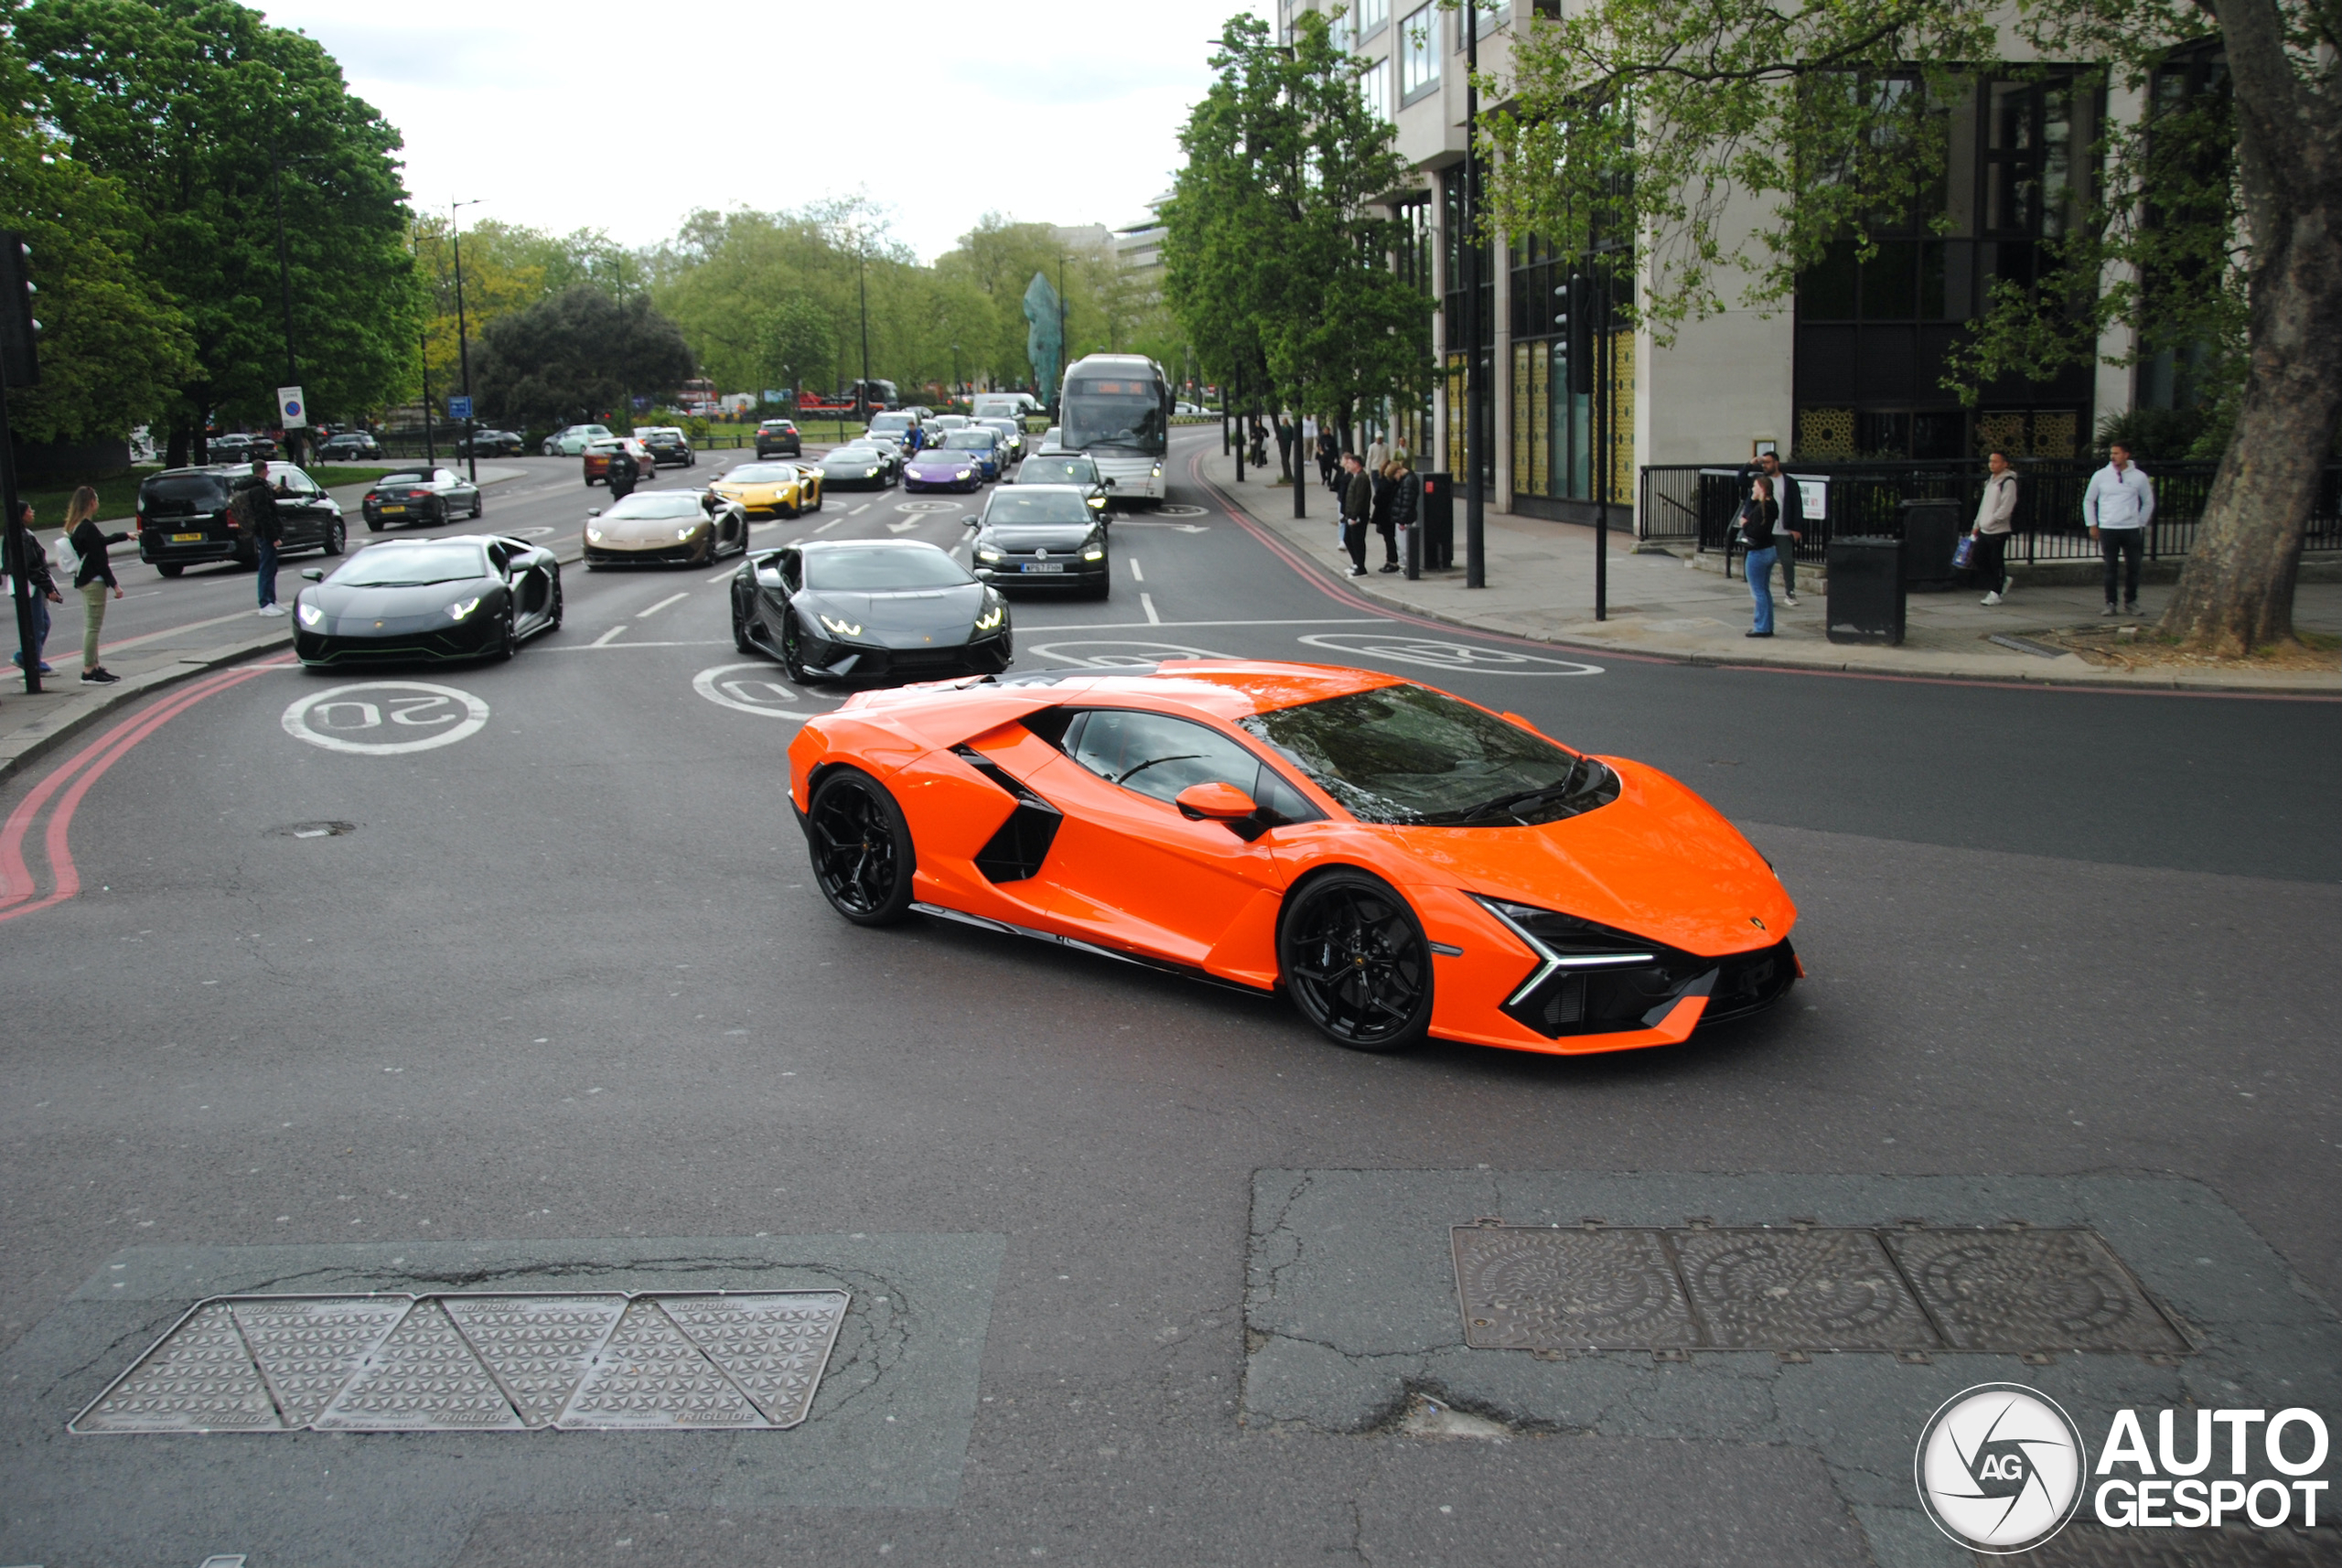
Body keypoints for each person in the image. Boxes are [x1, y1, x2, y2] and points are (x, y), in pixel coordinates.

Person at [2083, 440, 2154, 616]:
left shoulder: (2139, 477)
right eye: (2112, 454)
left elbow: (2148, 501)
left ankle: (2131, 601)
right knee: (2110, 566)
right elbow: (2089, 500)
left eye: (2117, 453)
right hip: (2108, 527)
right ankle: (2110, 602)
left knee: (2134, 566)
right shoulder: (2101, 475)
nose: (2113, 457)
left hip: (2130, 528)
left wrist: (2140, 522)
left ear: (2126, 455)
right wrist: (2092, 524)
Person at [65, 485, 127, 682]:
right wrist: (114, 585)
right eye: (97, 499)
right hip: (94, 581)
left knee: (92, 625)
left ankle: (95, 666)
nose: (98, 503)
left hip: (85, 580)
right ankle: (89, 670)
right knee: (93, 627)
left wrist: (124, 536)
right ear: (91, 502)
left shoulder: (77, 526)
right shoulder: (87, 527)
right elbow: (100, 560)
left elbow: (100, 543)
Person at [5, 499, 63, 676]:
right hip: (29, 587)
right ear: (22, 514)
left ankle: (25, 657)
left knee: (43, 623)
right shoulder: (22, 537)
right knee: (36, 626)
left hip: (25, 585)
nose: (33, 513)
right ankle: (33, 664)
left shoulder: (20, 534)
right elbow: (33, 567)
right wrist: (49, 588)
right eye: (30, 511)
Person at [236, 459, 287, 616]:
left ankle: (271, 600)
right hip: (265, 534)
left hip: (263, 533)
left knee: (271, 567)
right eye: (268, 471)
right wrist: (273, 537)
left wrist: (275, 491)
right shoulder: (259, 489)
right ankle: (265, 603)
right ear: (264, 471)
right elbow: (264, 515)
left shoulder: (258, 486)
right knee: (267, 567)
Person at [1754, 452, 1805, 607]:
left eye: (1768, 462)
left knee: (1787, 561)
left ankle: (1790, 591)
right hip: (1766, 529)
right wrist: (1750, 464)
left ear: (1776, 463)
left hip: (1783, 529)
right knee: (1762, 561)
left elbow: (1797, 506)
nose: (1765, 466)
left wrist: (1797, 528)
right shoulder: (1762, 481)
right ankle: (1762, 592)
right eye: (1763, 463)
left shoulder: (1789, 482)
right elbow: (1740, 480)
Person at [1971, 449, 2019, 605]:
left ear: (2005, 464)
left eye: (1996, 461)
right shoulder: (1990, 481)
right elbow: (1984, 505)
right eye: (1990, 461)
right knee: (1977, 557)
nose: (1992, 464)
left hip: (1999, 529)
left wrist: (1991, 521)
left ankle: (1996, 592)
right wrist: (1977, 524)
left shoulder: (2008, 482)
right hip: (1985, 528)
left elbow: (2005, 508)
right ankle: (2001, 580)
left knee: (1995, 559)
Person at [1740, 475, 1780, 638]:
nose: (1753, 489)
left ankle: (1761, 627)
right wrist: (1752, 499)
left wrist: (1745, 525)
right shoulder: (1771, 505)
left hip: (1758, 552)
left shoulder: (1762, 509)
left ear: (1762, 488)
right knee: (1764, 590)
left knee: (1758, 592)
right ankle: (1767, 625)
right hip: (1770, 550)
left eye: (1755, 486)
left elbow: (1754, 532)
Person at [1338, 453, 1373, 576]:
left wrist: (1354, 516)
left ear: (1357, 464)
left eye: (1350, 463)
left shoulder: (1362, 478)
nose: (1348, 465)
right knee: (1348, 539)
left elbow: (1359, 498)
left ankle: (1361, 568)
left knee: (1357, 541)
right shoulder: (1356, 476)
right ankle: (1356, 563)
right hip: (1351, 514)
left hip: (1359, 516)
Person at [1369, 460, 1402, 573]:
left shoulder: (1385, 482)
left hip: (1385, 515)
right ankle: (1390, 560)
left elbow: (1378, 499)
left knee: (1389, 539)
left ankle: (1392, 561)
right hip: (1388, 514)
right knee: (1389, 539)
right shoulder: (1394, 482)